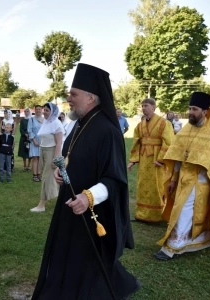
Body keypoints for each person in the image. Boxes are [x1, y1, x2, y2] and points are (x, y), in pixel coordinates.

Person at [32, 63, 140, 299]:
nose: (68, 98)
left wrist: (88, 196)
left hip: (92, 211)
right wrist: (63, 174)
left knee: (90, 260)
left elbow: (115, 178)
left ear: (91, 97)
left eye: (73, 94)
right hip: (70, 204)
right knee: (70, 255)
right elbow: (71, 158)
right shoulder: (80, 123)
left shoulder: (107, 131)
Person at [154, 92, 210, 261]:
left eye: (194, 109)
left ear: (205, 111)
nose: (190, 112)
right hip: (182, 180)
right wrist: (173, 180)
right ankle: (200, 240)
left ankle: (171, 248)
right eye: (189, 108)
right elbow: (177, 158)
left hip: (200, 183)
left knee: (183, 212)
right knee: (188, 213)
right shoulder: (185, 131)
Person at [128, 98, 174, 222]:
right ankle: (142, 215)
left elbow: (169, 142)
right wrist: (133, 160)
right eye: (142, 106)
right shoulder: (140, 125)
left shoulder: (164, 123)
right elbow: (137, 142)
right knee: (142, 186)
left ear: (154, 107)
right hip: (143, 160)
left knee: (157, 186)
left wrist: (161, 159)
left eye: (146, 106)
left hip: (157, 161)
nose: (143, 108)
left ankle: (158, 215)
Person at [30, 103, 64, 213]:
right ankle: (62, 199)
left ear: (53, 112)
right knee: (54, 178)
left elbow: (59, 142)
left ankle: (41, 204)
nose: (44, 112)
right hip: (43, 151)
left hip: (52, 152)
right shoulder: (46, 122)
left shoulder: (56, 123)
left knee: (46, 177)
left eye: (47, 110)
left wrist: (56, 159)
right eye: (44, 110)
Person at [28, 105, 44, 182]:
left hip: (42, 141)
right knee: (35, 158)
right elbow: (29, 130)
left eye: (39, 109)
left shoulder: (44, 120)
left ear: (42, 110)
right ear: (35, 110)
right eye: (36, 109)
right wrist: (34, 140)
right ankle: (34, 175)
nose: (38, 110)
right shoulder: (31, 120)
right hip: (34, 140)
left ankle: (39, 174)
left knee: (40, 158)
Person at [18, 107, 32, 171]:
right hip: (24, 137)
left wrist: (30, 134)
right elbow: (21, 129)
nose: (26, 113)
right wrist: (25, 134)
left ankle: (29, 165)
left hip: (30, 137)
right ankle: (24, 165)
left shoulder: (32, 119)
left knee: (30, 151)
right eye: (25, 111)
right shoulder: (22, 120)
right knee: (24, 151)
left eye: (27, 111)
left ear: (29, 112)